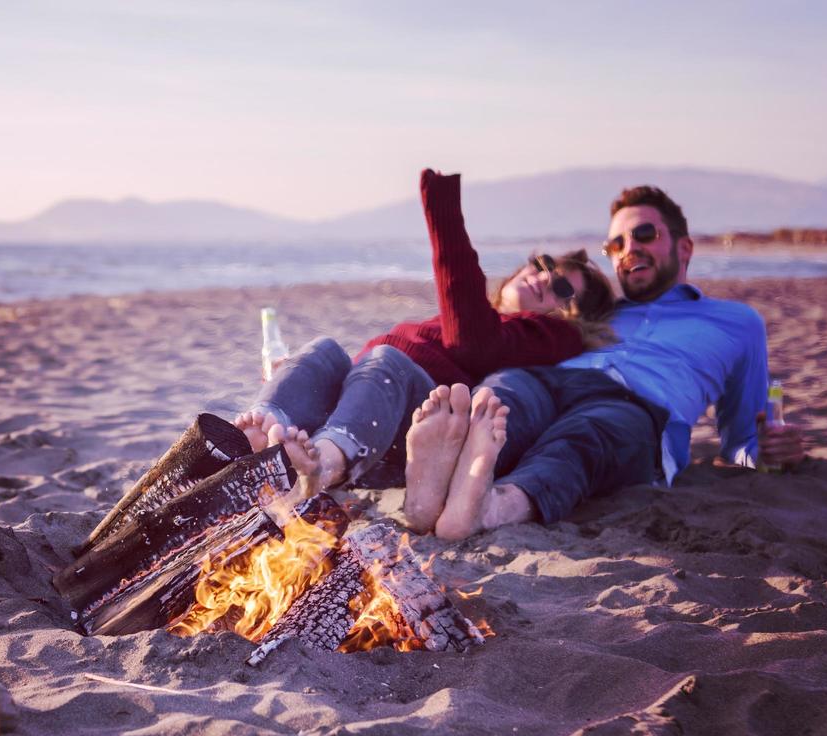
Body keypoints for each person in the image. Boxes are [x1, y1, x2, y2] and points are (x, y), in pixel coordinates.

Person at [408, 184, 807, 540]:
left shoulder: (738, 323)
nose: (628, 248)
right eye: (615, 245)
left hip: (636, 405)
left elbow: (739, 446)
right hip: (548, 380)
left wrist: (768, 452)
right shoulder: (591, 315)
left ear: (684, 248)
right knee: (501, 394)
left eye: (644, 235)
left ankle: (496, 507)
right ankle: (442, 487)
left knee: (584, 438)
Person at [235, 169, 616, 532]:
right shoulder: (482, 317)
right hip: (366, 413)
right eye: (544, 264)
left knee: (387, 360)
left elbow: (473, 342)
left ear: (574, 313)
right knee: (323, 351)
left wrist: (443, 209)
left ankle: (320, 466)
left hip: (409, 434)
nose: (546, 278)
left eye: (564, 289)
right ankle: (253, 442)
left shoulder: (551, 333)